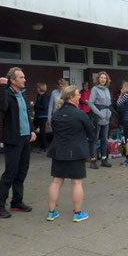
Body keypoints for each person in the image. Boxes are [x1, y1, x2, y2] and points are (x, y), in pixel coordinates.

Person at [0, 67, 37, 219]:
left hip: (25, 138)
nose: (24, 80)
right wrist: (3, 87)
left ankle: (17, 202)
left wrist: (32, 130)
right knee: (10, 173)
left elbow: (26, 114)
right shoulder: (7, 93)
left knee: (22, 172)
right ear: (12, 80)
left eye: (24, 77)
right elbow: (3, 109)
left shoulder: (21, 94)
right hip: (13, 138)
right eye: (21, 77)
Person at [46, 86, 94, 222]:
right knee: (76, 183)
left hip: (58, 151)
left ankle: (51, 212)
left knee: (56, 181)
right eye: (78, 94)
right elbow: (91, 132)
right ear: (72, 97)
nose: (80, 97)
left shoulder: (56, 114)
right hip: (76, 152)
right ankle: (78, 213)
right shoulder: (80, 114)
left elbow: (54, 130)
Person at [88, 71, 113, 168]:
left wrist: (109, 112)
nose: (103, 79)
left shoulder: (107, 89)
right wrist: (99, 113)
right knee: (94, 139)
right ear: (98, 79)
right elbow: (90, 103)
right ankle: (93, 161)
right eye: (101, 77)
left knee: (104, 140)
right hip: (97, 118)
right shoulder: (95, 89)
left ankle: (104, 160)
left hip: (106, 118)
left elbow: (109, 103)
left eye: (105, 78)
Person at [33, 82, 50, 153]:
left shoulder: (45, 96)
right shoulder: (38, 95)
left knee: (42, 132)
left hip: (43, 116)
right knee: (32, 129)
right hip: (37, 115)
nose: (37, 89)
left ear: (40, 88)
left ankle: (43, 147)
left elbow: (44, 107)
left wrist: (35, 105)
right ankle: (29, 145)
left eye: (38, 88)